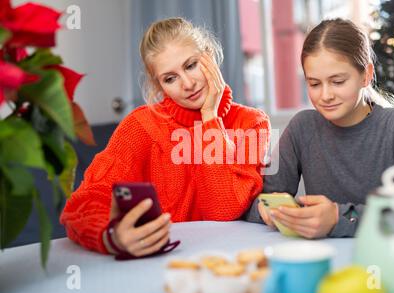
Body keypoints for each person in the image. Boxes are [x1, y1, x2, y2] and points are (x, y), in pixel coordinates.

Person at [61, 17, 270, 257]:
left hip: (229, 261)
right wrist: (112, 236)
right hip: (161, 263)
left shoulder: (252, 123)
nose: (188, 84)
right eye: (170, 78)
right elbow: (81, 205)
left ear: (209, 56)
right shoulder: (141, 126)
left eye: (191, 65)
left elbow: (222, 210)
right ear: (158, 85)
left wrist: (209, 117)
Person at [245, 18, 394, 238]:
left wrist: (339, 217)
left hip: (392, 258)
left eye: (338, 81)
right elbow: (260, 201)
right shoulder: (301, 128)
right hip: (325, 261)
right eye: (314, 84)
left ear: (366, 75)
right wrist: (266, 209)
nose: (325, 95)